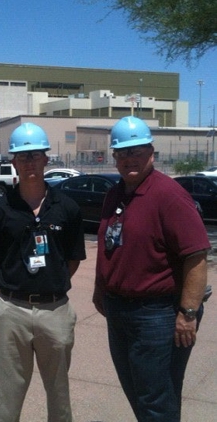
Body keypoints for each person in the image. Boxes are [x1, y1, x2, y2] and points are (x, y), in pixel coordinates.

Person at [93, 116, 210, 421]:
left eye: (136, 151)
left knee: (157, 398)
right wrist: (99, 290)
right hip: (119, 310)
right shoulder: (115, 194)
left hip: (157, 315)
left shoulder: (169, 195)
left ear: (151, 152)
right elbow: (109, 247)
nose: (128, 159)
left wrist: (187, 314)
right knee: (137, 392)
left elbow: (196, 257)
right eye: (121, 153)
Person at [0, 122, 86, 422]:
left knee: (59, 397)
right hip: (11, 312)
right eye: (23, 156)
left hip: (55, 310)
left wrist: (48, 283)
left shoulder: (66, 207)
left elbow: (73, 260)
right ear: (13, 161)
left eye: (35, 155)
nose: (29, 162)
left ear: (46, 159)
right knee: (9, 399)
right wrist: (16, 287)